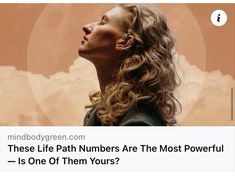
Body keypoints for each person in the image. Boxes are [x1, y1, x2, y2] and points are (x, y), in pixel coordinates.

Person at [78, 4, 181, 126]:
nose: (86, 27)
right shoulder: (96, 115)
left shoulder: (139, 124)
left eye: (102, 23)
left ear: (126, 42)